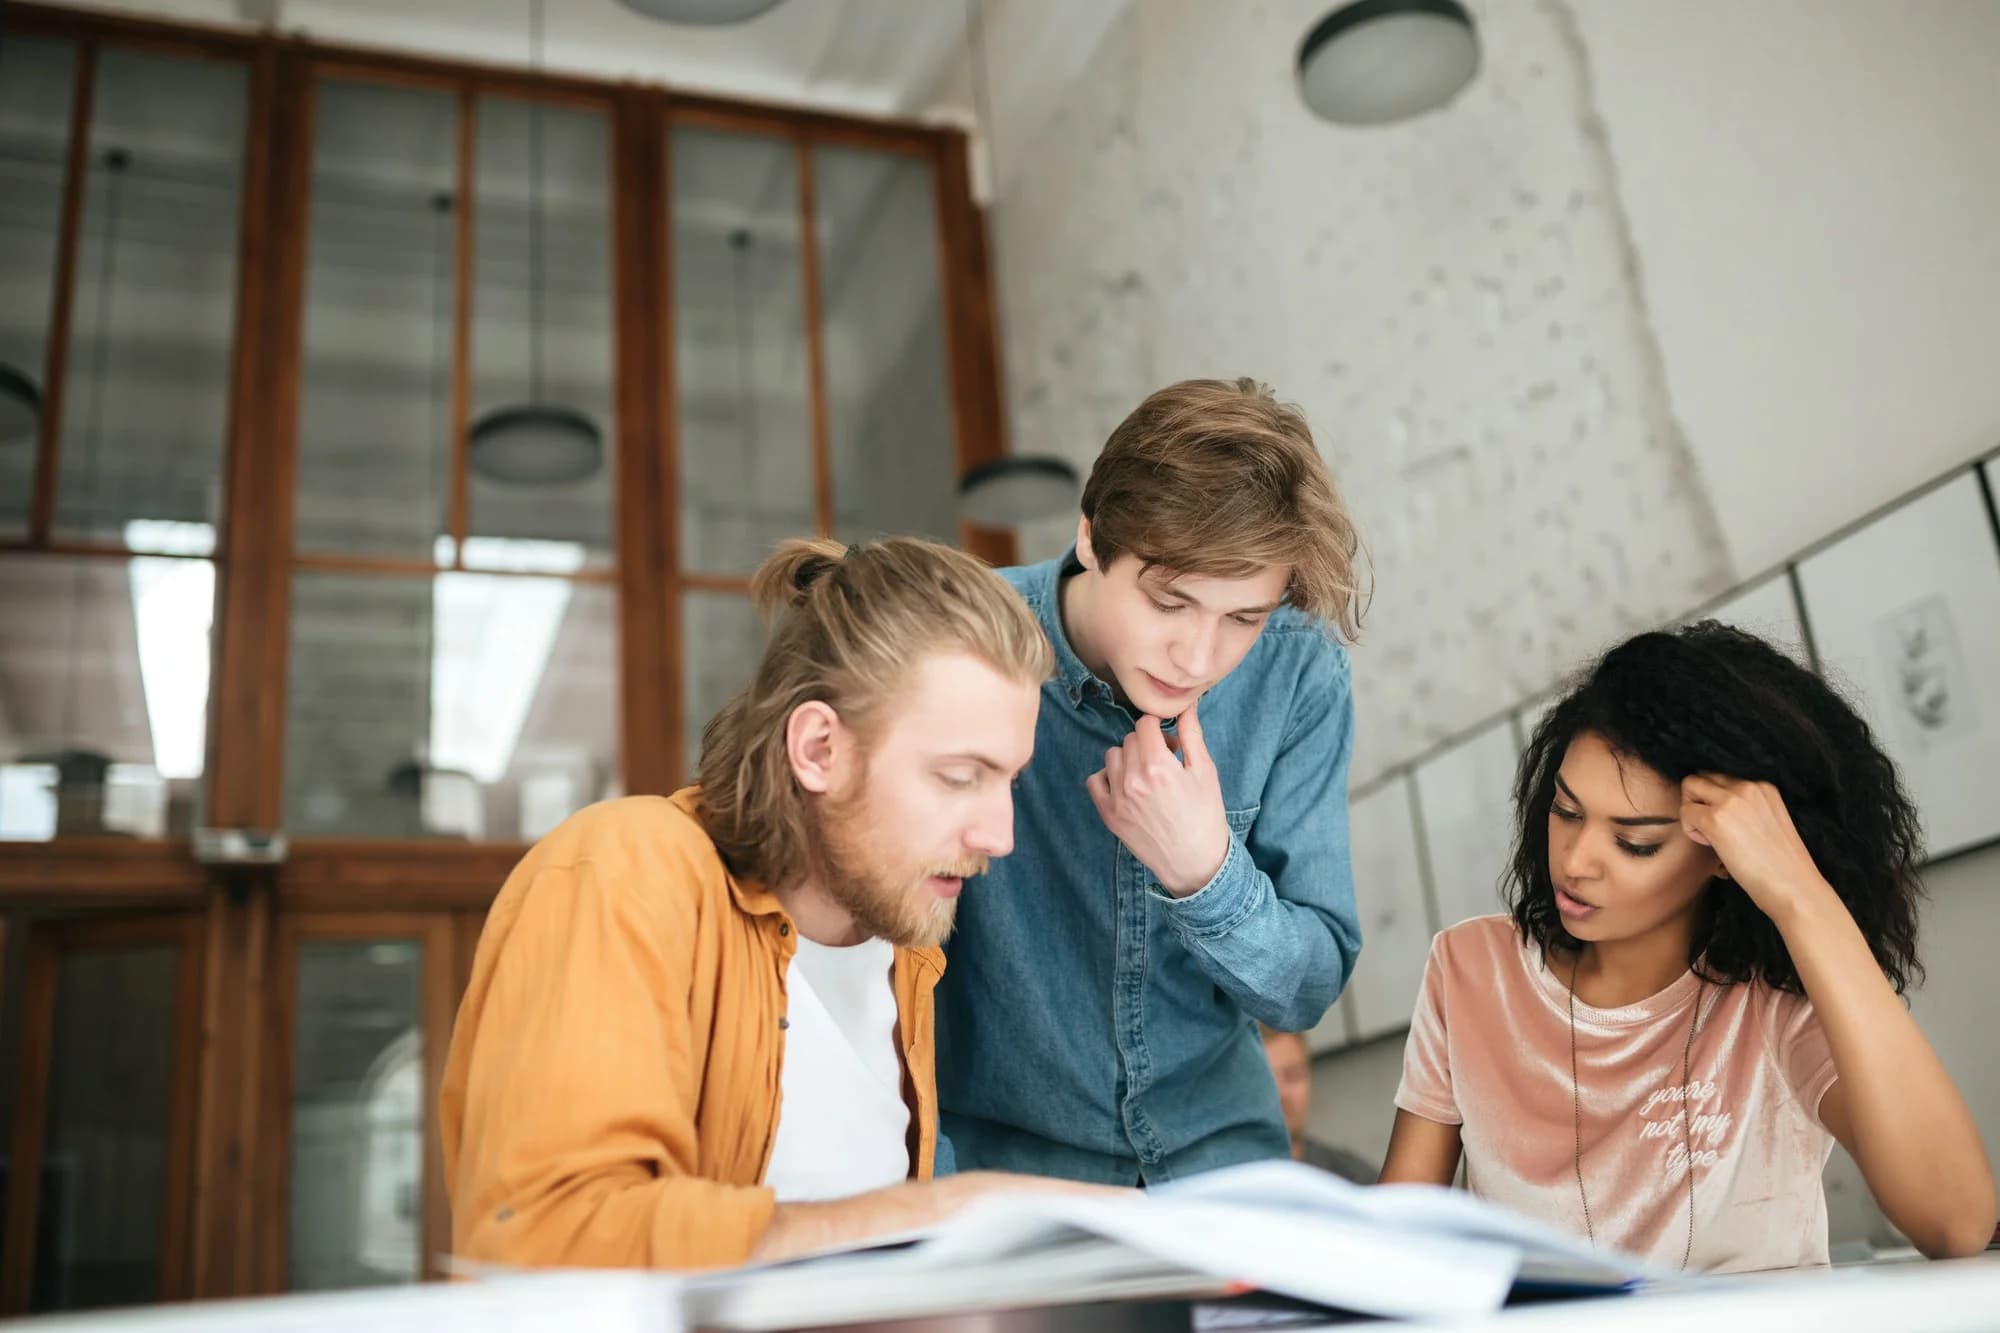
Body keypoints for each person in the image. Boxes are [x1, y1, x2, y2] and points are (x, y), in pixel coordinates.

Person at [441, 536, 1095, 1270]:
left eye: (1008, 780)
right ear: (818, 748)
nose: (999, 835)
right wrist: (935, 1211)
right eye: (957, 776)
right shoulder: (623, 868)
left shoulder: (906, 950)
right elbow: (546, 1234)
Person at [1379, 622, 1996, 1271]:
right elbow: (1389, 1249)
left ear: (1726, 851)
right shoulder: (1470, 970)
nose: (1577, 860)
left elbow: (1955, 1222)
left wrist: (1798, 893)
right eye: (1565, 810)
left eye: (1634, 841)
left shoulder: (1774, 1003)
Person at [938, 377, 1368, 1183]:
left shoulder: (1301, 673)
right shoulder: (962, 643)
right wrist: (933, 1195)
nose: (1199, 657)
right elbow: (883, 962)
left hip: (1227, 1167)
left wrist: (1207, 872)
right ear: (1093, 538)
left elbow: (1307, 988)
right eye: (1170, 601)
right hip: (1010, 1178)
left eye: (1243, 617)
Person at [1259, 1025, 1377, 1184]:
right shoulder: (1222, 1192)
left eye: (1293, 1076)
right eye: (1266, 1081)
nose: (1281, 1094)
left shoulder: (1356, 1182)